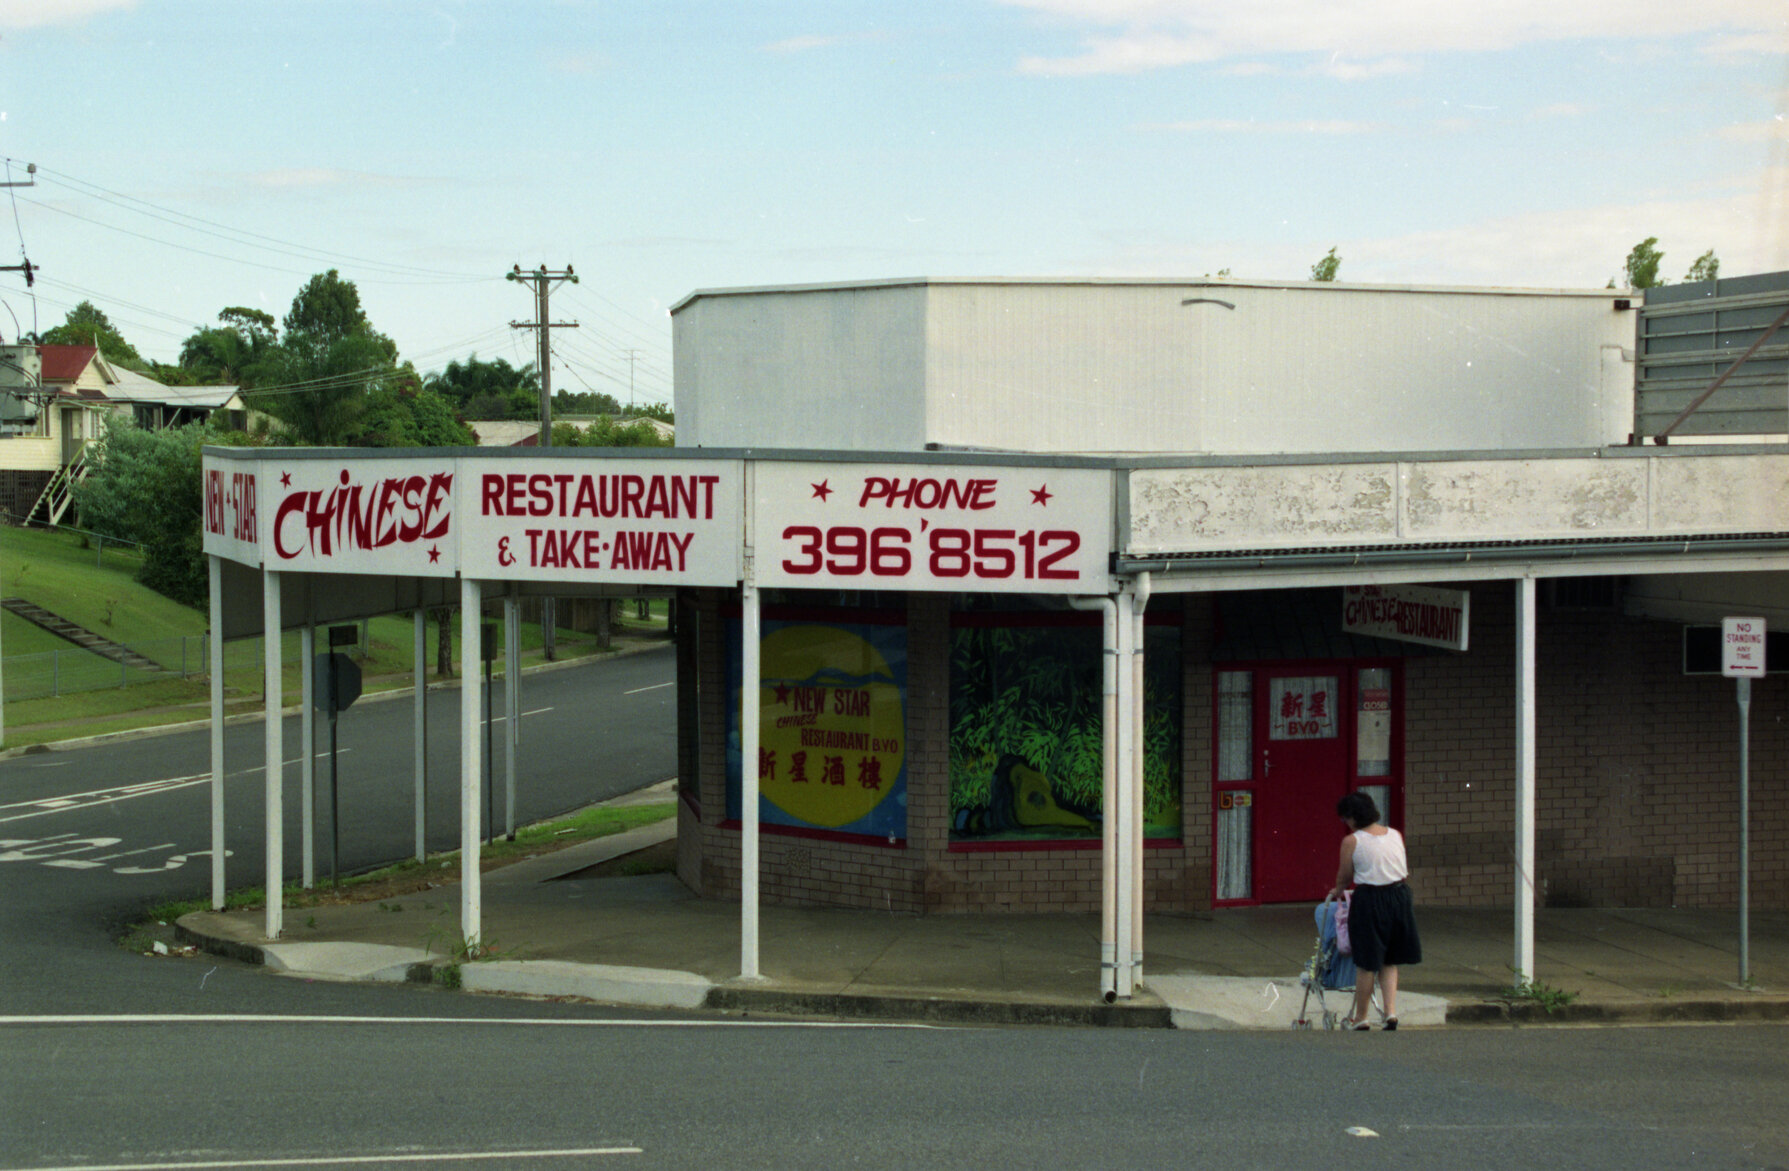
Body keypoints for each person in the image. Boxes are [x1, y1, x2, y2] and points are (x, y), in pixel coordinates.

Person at [1329, 790, 1421, 1030]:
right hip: (1399, 896)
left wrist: (1337, 890)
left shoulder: (1352, 841)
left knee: (1367, 961)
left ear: (1352, 817)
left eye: (1345, 819)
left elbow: (1345, 875)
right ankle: (1390, 1013)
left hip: (1370, 898)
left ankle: (1361, 1017)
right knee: (1390, 960)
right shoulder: (1395, 834)